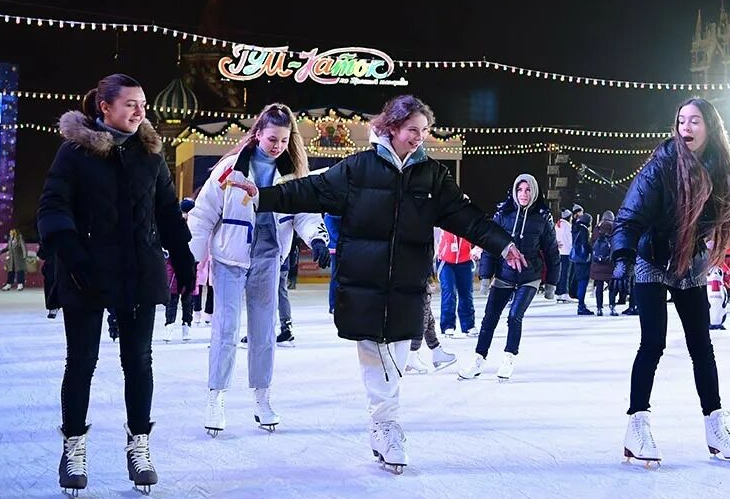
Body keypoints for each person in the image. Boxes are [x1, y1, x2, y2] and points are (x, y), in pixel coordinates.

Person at [232, 94, 518, 473]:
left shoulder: (432, 176)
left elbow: (467, 218)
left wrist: (503, 243)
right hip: (364, 279)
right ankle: (386, 424)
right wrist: (262, 196)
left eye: (424, 132)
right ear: (393, 127)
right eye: (412, 129)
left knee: (397, 355)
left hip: (407, 281)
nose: (419, 137)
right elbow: (308, 192)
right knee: (375, 355)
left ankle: (382, 423)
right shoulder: (358, 169)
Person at [37, 73, 196, 495]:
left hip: (139, 272)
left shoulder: (150, 155)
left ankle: (139, 444)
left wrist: (183, 259)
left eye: (142, 103)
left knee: (139, 362)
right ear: (104, 107)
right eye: (130, 103)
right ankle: (73, 447)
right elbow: (53, 206)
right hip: (86, 271)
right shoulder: (74, 153)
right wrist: (73, 256)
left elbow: (166, 213)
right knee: (82, 363)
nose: (140, 111)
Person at [611, 98, 730, 466]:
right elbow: (630, 216)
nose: (686, 127)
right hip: (652, 258)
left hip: (691, 262)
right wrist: (622, 256)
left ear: (710, 128)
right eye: (681, 120)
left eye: (695, 121)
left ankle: (715, 425)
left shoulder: (724, 175)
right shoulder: (661, 168)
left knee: (702, 345)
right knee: (652, 343)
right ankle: (636, 425)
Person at [187, 103, 329, 437]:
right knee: (224, 328)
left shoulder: (294, 173)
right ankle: (216, 397)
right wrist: (191, 256)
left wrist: (317, 238)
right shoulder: (231, 169)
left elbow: (304, 212)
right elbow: (204, 213)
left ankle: (262, 397)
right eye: (271, 139)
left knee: (265, 331)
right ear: (258, 135)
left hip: (268, 258)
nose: (277, 145)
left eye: (283, 139)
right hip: (230, 258)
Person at [458, 173, 559, 381]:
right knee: (489, 319)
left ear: (534, 192)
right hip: (504, 275)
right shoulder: (503, 215)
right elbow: (490, 245)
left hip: (529, 277)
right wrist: (485, 276)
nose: (523, 194)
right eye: (520, 190)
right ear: (514, 191)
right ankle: (478, 359)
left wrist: (552, 284)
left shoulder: (542, 217)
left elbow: (551, 251)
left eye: (528, 189)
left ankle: (509, 357)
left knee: (514, 316)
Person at [162, 198, 198, 342]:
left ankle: (184, 326)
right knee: (176, 297)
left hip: (185, 264)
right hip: (177, 265)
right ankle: (172, 326)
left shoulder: (194, 224)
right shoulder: (174, 225)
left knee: (184, 298)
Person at [435, 228, 476, 336]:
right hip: (445, 261)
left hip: (465, 260)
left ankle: (468, 325)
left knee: (466, 293)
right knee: (449, 292)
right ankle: (447, 325)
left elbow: (480, 234)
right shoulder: (441, 217)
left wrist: (477, 249)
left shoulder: (469, 218)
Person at [588, 211, 619, 316]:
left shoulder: (597, 229)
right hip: (610, 263)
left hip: (597, 263)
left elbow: (592, 243)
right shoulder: (614, 229)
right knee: (612, 287)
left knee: (599, 287)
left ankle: (599, 308)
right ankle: (612, 307)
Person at [571, 209, 594, 316]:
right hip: (583, 258)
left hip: (576, 258)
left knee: (580, 280)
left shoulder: (575, 228)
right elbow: (585, 244)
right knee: (583, 282)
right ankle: (581, 305)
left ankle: (581, 303)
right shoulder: (583, 230)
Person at [554, 209, 574, 301]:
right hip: (566, 252)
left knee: (559, 272)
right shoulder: (568, 226)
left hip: (558, 252)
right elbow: (570, 240)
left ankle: (558, 292)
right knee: (565, 273)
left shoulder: (557, 225)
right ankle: (564, 292)